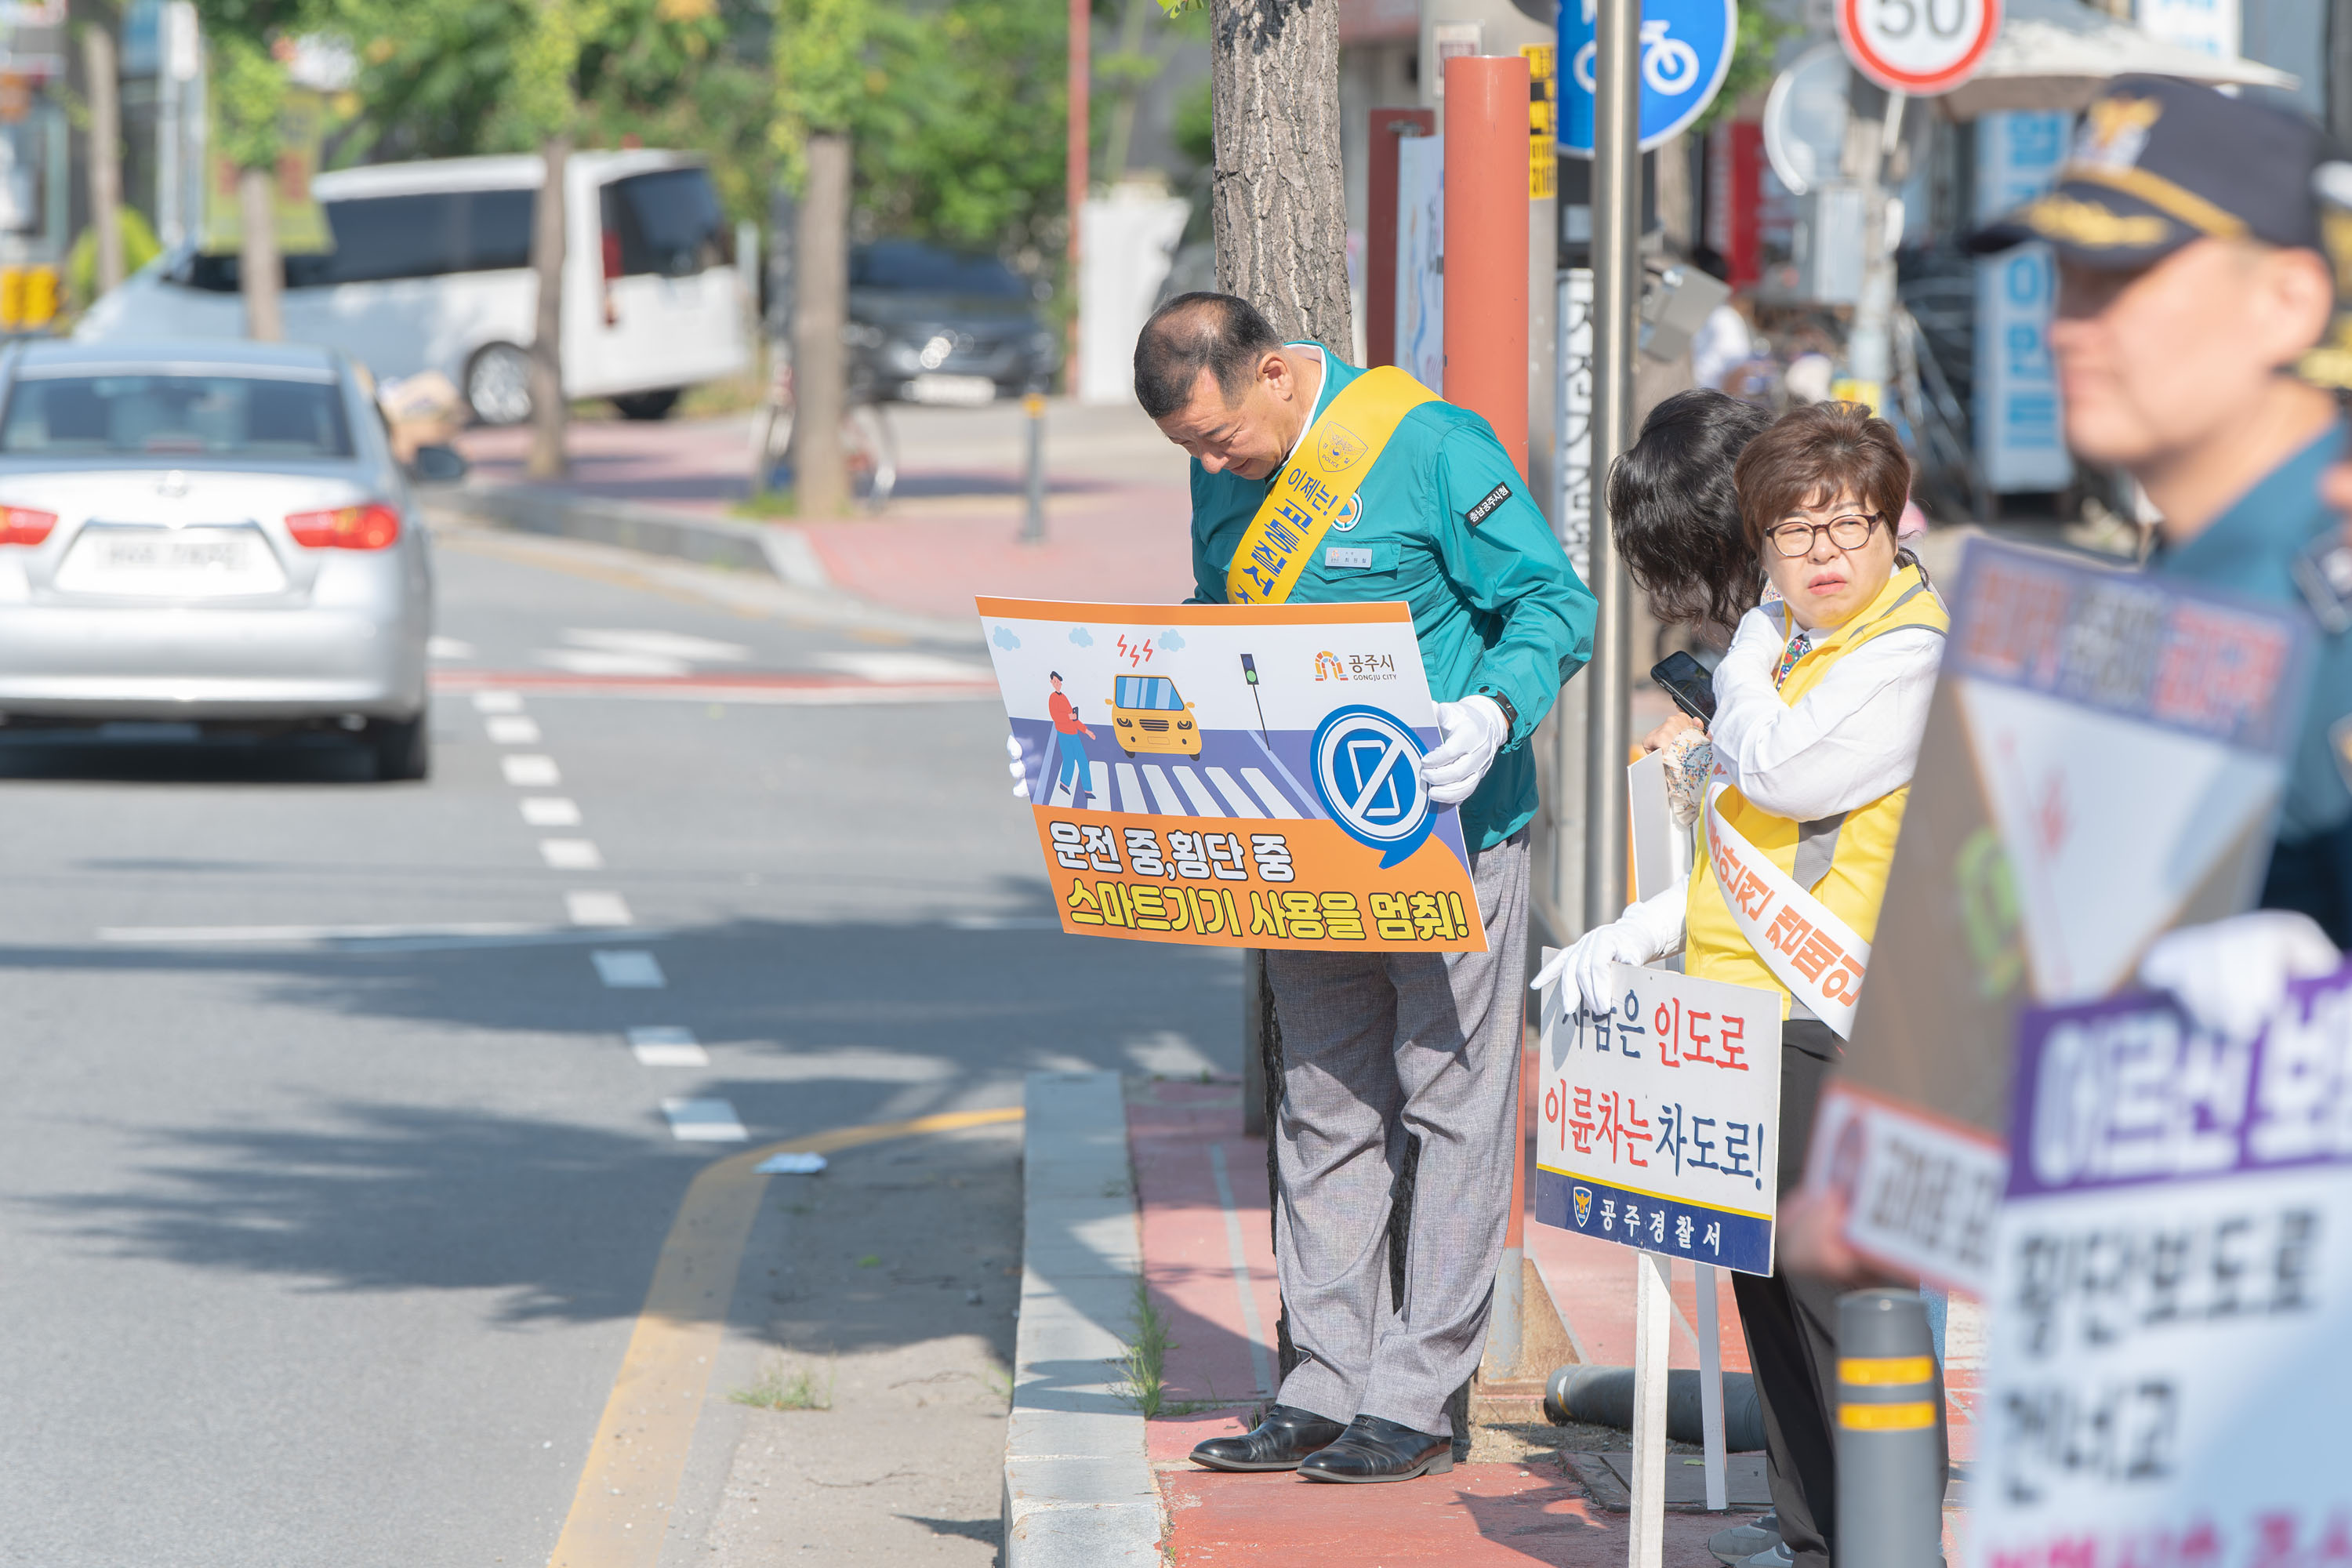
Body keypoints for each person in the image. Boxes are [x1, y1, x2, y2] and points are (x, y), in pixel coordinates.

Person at [1134, 292, 1595, 1483]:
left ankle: (1417, 1394)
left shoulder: (1429, 445)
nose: (1211, 464)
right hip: (1307, 843)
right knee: (1323, 1099)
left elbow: (1554, 602)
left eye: (1217, 437)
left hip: (1450, 829)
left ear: (1276, 375)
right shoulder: (1223, 470)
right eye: (1189, 449)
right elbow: (1220, 621)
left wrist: (1492, 710)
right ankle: (1322, 1382)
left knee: (1452, 1102)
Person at [1534, 401, 1949, 1568]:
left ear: (1891, 528)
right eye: (1795, 532)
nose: (1824, 553)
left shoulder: (1904, 653)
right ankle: (1815, 1539)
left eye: (1848, 525)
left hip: (1840, 1017)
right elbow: (1743, 843)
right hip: (1746, 1012)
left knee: (1852, 1311)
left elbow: (1781, 769)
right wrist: (1645, 926)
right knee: (1770, 1296)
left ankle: (1890, 1549)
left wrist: (1753, 646)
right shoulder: (1802, 646)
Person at [1969, 74, 2349, 1019]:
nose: (2066, 327)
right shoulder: (2195, 569)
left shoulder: (2321, 589)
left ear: (2288, 302)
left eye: (2123, 275)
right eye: (2066, 275)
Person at [1046, 671, 1094, 807]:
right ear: (1052, 683)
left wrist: (1086, 731)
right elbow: (1055, 716)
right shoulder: (1053, 698)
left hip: (1073, 733)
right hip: (1063, 733)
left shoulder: (1064, 697)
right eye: (1054, 681)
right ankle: (1064, 784)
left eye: (1058, 681)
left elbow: (1074, 719)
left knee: (1083, 761)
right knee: (1069, 760)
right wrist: (1068, 717)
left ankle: (1088, 790)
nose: (1057, 684)